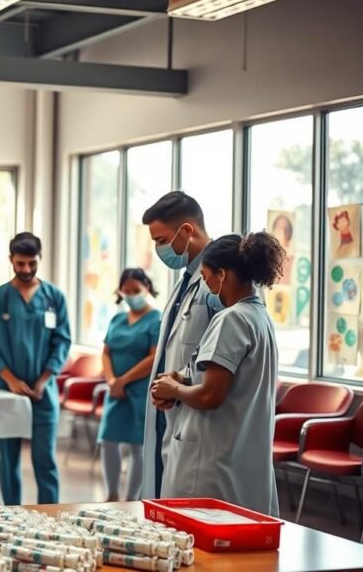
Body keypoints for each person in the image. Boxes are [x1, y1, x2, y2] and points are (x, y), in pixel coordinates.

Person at [150, 232, 283, 516]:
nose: (208, 286)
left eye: (208, 277)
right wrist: (181, 378)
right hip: (240, 457)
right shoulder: (259, 318)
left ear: (222, 275)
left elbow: (211, 395)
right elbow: (219, 375)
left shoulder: (231, 318)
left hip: (212, 463)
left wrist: (174, 391)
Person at [0, 232, 71, 505]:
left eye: (32, 263)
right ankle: (10, 517)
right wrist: (10, 380)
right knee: (8, 462)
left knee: (45, 461)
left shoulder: (54, 298)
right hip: (6, 391)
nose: (26, 269)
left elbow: (62, 341)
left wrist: (44, 379)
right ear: (11, 260)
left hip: (43, 392)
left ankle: (51, 518)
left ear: (40, 259)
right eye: (20, 264)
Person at [140, 191, 220, 499]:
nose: (160, 249)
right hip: (172, 410)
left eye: (161, 240)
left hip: (197, 419)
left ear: (186, 231)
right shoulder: (187, 279)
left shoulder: (221, 281)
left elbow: (223, 351)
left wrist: (179, 381)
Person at [98, 268, 161, 502]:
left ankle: (132, 499)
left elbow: (153, 357)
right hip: (115, 389)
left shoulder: (156, 319)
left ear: (147, 289)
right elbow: (105, 352)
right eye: (127, 291)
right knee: (108, 441)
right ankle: (111, 494)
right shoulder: (117, 319)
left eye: (137, 290)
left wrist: (124, 380)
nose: (132, 295)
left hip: (139, 390)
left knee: (137, 447)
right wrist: (112, 380)